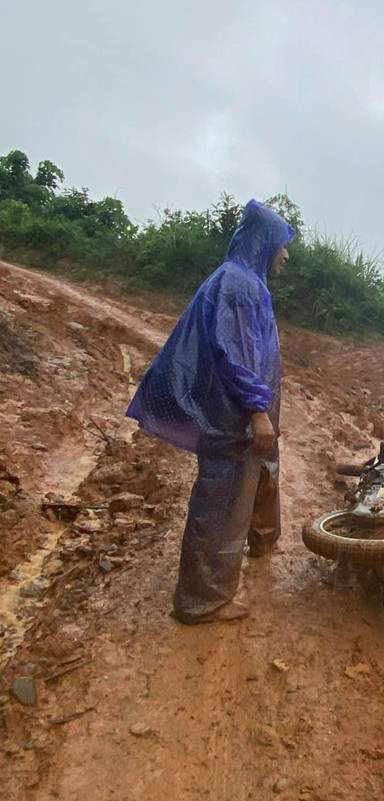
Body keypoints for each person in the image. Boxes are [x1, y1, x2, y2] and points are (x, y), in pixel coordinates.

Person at [126, 199, 296, 624]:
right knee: (221, 502)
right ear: (263, 243)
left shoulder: (246, 281)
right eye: (281, 245)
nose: (286, 255)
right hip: (235, 415)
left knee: (261, 474)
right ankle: (202, 601)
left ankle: (260, 538)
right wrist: (256, 409)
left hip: (250, 411)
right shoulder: (237, 285)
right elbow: (234, 353)